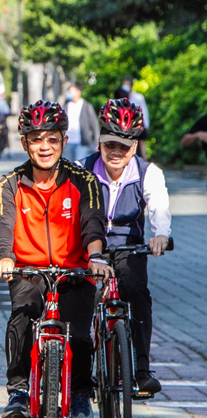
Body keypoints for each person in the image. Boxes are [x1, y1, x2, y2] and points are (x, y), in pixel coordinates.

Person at [0, 100, 113, 418]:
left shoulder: (83, 181)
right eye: (36, 139)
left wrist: (96, 257)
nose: (44, 147)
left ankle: (79, 394)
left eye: (52, 139)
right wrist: (5, 257)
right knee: (24, 315)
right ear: (24, 142)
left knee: (80, 333)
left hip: (75, 270)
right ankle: (18, 389)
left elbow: (92, 224)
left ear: (63, 139)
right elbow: (3, 225)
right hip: (28, 270)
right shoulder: (8, 185)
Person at [82, 98, 170, 395]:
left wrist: (160, 235)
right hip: (87, 246)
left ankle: (142, 371)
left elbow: (158, 207)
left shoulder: (148, 173)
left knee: (136, 292)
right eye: (110, 145)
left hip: (128, 248)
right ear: (100, 142)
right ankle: (81, 375)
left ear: (134, 146)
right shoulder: (83, 171)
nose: (116, 152)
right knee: (78, 299)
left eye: (125, 145)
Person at [63, 83, 99, 163]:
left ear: (78, 92)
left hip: (81, 143)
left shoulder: (86, 106)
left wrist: (97, 141)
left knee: (80, 165)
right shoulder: (66, 106)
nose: (70, 93)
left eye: (71, 91)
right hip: (68, 142)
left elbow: (94, 124)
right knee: (67, 165)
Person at [121, 76, 150, 159]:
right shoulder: (122, 97)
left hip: (138, 123)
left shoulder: (138, 97)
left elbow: (144, 111)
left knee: (141, 143)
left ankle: (144, 161)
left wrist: (146, 125)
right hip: (127, 125)